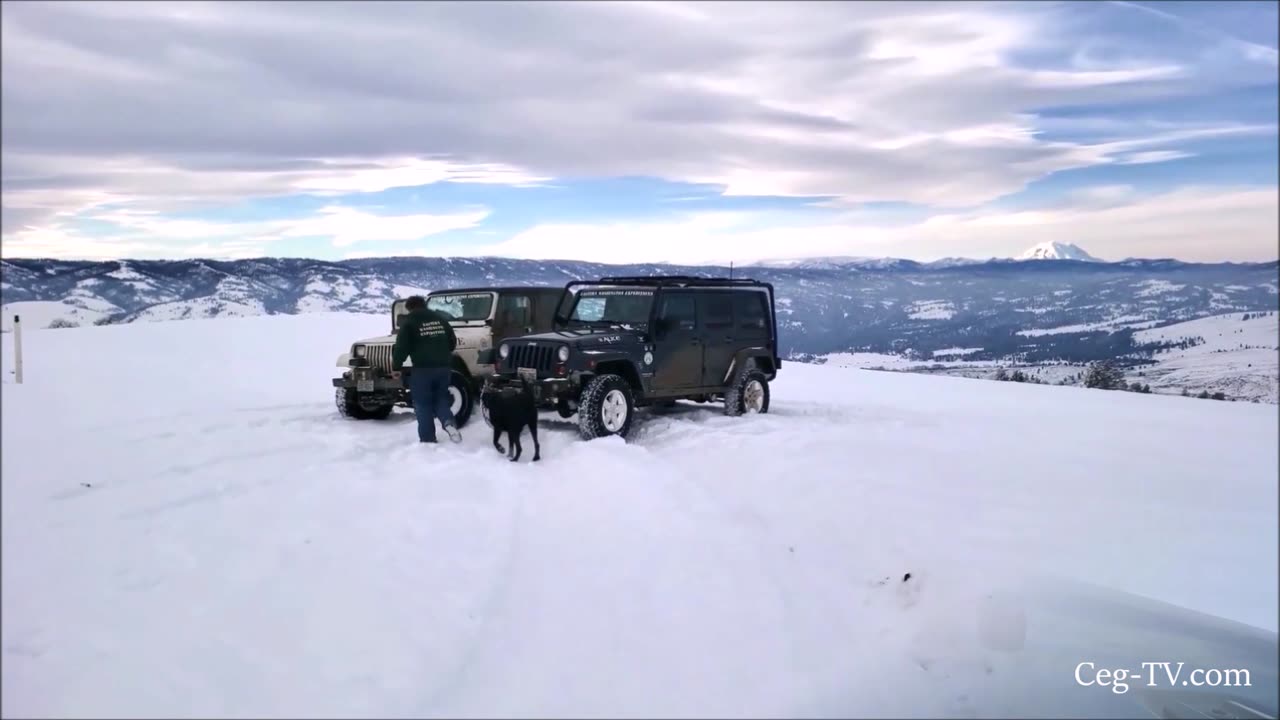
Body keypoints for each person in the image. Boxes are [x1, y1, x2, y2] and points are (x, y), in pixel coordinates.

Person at [391, 296, 462, 444]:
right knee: (441, 398)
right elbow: (452, 342)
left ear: (409, 308)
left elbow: (401, 348)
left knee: (422, 403)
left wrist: (396, 366)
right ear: (424, 305)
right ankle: (449, 423)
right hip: (444, 368)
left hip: (422, 369)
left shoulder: (409, 322)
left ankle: (428, 439)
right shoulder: (440, 319)